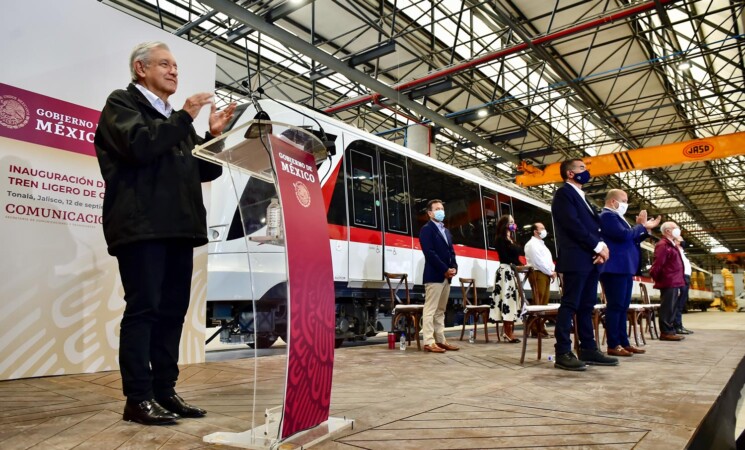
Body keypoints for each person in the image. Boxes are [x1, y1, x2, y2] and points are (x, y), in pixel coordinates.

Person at [95, 41, 237, 425]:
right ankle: (137, 398)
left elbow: (205, 170)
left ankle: (164, 390)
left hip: (179, 229)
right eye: (164, 64)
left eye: (175, 65)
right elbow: (140, 146)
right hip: (142, 227)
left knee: (172, 312)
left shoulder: (173, 119)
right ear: (141, 69)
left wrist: (211, 135)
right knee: (144, 310)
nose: (174, 71)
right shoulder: (122, 105)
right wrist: (186, 117)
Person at [551, 159, 618, 371]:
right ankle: (562, 351)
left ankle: (588, 348)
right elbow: (573, 225)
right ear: (570, 174)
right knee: (570, 304)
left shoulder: (584, 197)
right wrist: (597, 247)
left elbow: (595, 228)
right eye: (582, 168)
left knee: (587, 305)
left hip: (588, 258)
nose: (586, 171)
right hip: (576, 258)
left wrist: (601, 248)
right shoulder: (564, 194)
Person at [599, 189, 660, 357]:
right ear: (613, 202)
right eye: (624, 200)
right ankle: (614, 344)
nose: (626, 204)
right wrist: (640, 225)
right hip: (614, 268)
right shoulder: (607, 216)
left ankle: (623, 342)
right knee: (616, 306)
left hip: (624, 268)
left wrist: (645, 231)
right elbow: (623, 235)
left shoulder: (619, 218)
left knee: (622, 306)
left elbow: (631, 238)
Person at [419, 199, 460, 353]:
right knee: (430, 309)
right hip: (434, 275)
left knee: (440, 310)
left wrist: (454, 268)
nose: (440, 211)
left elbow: (451, 252)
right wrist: (444, 269)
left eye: (442, 208)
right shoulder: (426, 229)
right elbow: (429, 253)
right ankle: (429, 341)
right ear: (430, 213)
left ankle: (440, 340)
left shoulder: (446, 231)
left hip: (446, 276)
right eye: (437, 209)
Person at [489, 214, 524, 343]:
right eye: (511, 222)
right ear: (504, 224)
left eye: (513, 222)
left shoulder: (512, 239)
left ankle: (508, 331)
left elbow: (515, 256)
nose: (513, 224)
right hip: (505, 272)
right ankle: (508, 332)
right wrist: (516, 264)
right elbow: (504, 257)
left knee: (514, 300)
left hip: (512, 271)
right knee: (507, 300)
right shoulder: (500, 239)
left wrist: (520, 264)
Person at [649, 222, 686, 341]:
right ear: (668, 231)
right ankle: (665, 332)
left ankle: (670, 330)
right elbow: (658, 263)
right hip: (668, 280)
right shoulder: (663, 245)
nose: (678, 230)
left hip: (674, 280)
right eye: (675, 228)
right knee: (667, 307)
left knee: (672, 307)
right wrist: (655, 276)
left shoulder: (671, 244)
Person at [524, 222, 556, 337]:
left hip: (545, 274)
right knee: (538, 301)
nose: (544, 230)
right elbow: (538, 261)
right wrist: (550, 272)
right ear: (535, 231)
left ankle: (540, 327)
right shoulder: (531, 244)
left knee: (544, 302)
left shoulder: (542, 244)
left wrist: (552, 271)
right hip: (538, 273)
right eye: (542, 228)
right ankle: (535, 328)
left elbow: (548, 259)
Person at [674, 236, 694, 335]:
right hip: (681, 278)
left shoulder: (681, 252)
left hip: (685, 278)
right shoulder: (675, 251)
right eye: (680, 239)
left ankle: (679, 325)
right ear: (676, 242)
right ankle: (677, 326)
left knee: (681, 304)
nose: (683, 241)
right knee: (678, 304)